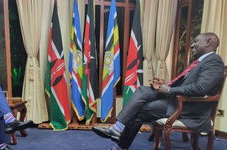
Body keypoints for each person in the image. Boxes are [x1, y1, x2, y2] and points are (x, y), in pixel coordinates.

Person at [92, 32, 224, 150]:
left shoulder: (214, 61)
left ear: (208, 42)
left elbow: (201, 88)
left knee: (140, 109)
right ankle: (118, 128)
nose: (192, 45)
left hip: (189, 107)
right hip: (178, 101)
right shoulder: (201, 62)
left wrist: (170, 89)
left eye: (196, 41)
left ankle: (119, 142)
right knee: (143, 90)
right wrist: (166, 85)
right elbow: (187, 85)